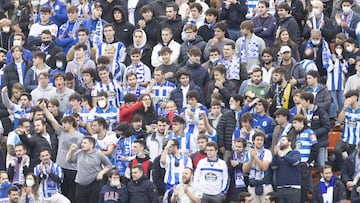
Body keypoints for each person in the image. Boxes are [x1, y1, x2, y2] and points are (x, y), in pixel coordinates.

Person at [66, 137, 112, 203]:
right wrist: (71, 150)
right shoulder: (79, 153)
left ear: (91, 145)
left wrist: (101, 173)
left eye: (85, 143)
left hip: (94, 183)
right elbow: (68, 160)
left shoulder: (98, 154)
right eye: (82, 143)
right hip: (80, 184)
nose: (82, 144)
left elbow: (109, 165)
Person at [299, 91, 331, 170]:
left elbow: (327, 126)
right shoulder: (302, 112)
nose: (300, 103)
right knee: (306, 165)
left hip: (320, 142)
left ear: (308, 101)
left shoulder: (320, 111)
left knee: (321, 164)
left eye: (302, 101)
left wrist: (313, 133)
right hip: (305, 143)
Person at [292, 114, 319, 203]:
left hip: (304, 164)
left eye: (295, 123)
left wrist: (309, 161)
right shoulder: (296, 134)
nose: (294, 125)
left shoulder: (309, 132)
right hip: (297, 163)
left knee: (303, 186)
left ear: (301, 122)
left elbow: (315, 148)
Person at [243, 131, 273, 203]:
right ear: (253, 141)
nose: (260, 142)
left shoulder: (267, 152)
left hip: (265, 185)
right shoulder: (248, 153)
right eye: (258, 140)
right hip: (253, 184)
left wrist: (256, 157)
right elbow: (245, 170)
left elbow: (265, 167)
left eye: (261, 140)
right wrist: (251, 159)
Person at [334, 90, 360, 171]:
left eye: (349, 97)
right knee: (337, 150)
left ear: (355, 98)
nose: (348, 99)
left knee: (352, 161)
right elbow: (339, 121)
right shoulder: (346, 110)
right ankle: (341, 169)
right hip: (344, 139)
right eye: (346, 98)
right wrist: (344, 108)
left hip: (356, 141)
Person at [271, 136, 301, 203]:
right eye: (280, 140)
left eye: (283, 140)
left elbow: (295, 162)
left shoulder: (295, 153)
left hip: (293, 188)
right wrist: (275, 155)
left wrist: (283, 155)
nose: (281, 142)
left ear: (289, 142)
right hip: (280, 188)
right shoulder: (278, 156)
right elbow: (273, 166)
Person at [227, 138, 248, 203]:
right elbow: (228, 172)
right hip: (234, 186)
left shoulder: (248, 156)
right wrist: (232, 166)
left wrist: (238, 165)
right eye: (236, 146)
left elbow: (248, 170)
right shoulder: (231, 157)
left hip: (245, 185)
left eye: (239, 147)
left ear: (244, 148)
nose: (237, 148)